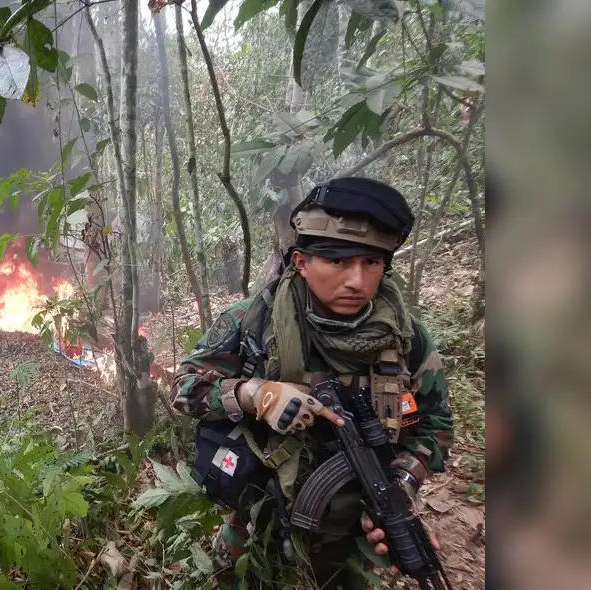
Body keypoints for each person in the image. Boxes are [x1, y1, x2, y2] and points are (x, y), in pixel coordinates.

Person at [170, 177, 454, 589]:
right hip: (259, 523)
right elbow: (184, 386)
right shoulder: (254, 320)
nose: (356, 280)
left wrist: (402, 485)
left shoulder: (406, 339)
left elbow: (435, 426)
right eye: (339, 262)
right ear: (301, 262)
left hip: (355, 537)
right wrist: (254, 394)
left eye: (371, 263)